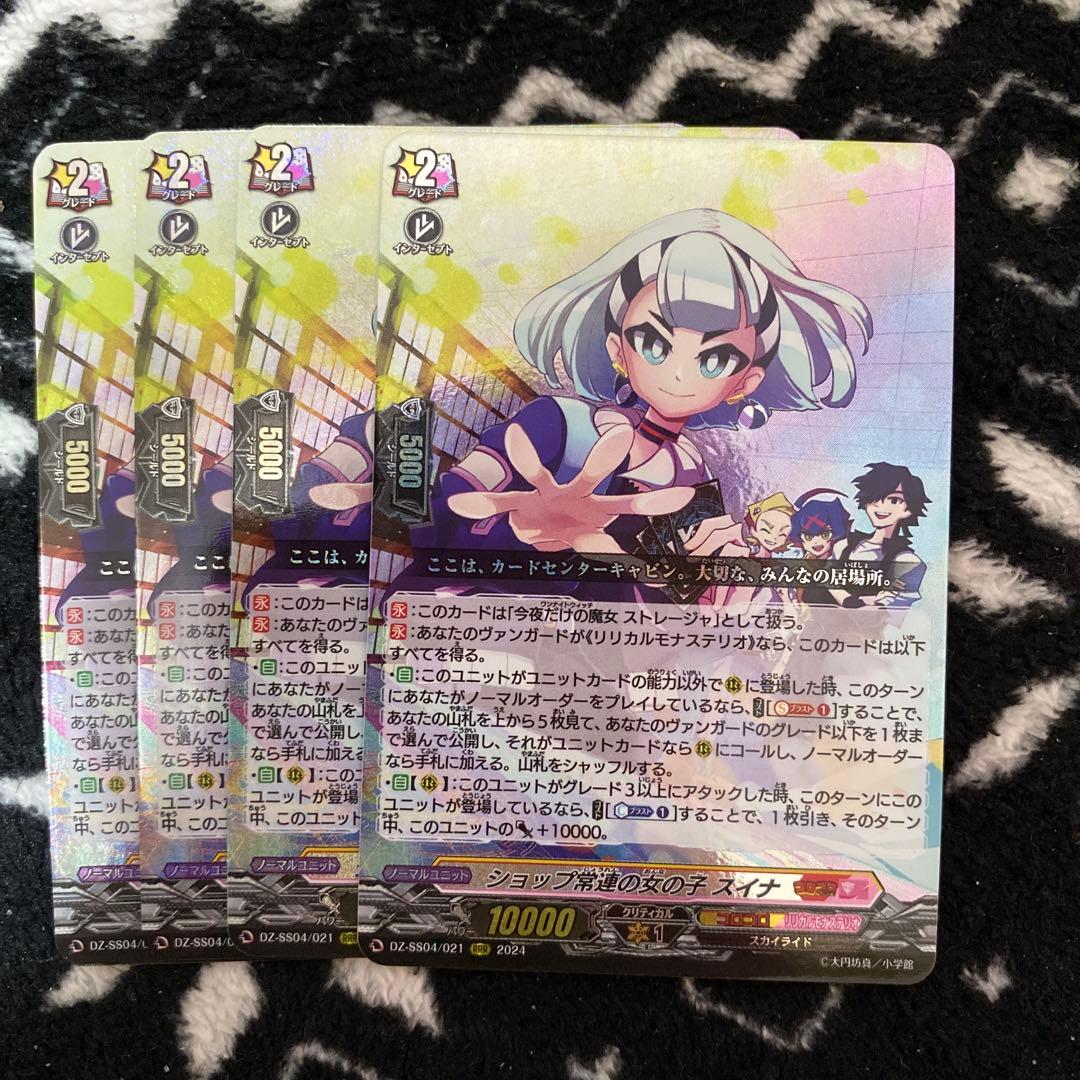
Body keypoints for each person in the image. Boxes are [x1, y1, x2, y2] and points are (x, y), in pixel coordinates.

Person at [413, 208, 873, 600]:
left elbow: (659, 594)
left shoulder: (691, 477)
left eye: (716, 359)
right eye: (653, 343)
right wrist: (519, 530)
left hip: (581, 658)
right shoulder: (560, 423)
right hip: (466, 624)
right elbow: (437, 512)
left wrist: (708, 574)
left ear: (745, 382)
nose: (679, 373)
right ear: (617, 349)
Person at [833, 462, 930, 608]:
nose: (881, 506)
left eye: (894, 500)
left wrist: (855, 601)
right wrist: (856, 600)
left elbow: (884, 613)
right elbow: (823, 581)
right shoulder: (842, 546)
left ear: (908, 510)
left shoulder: (909, 562)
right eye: (874, 498)